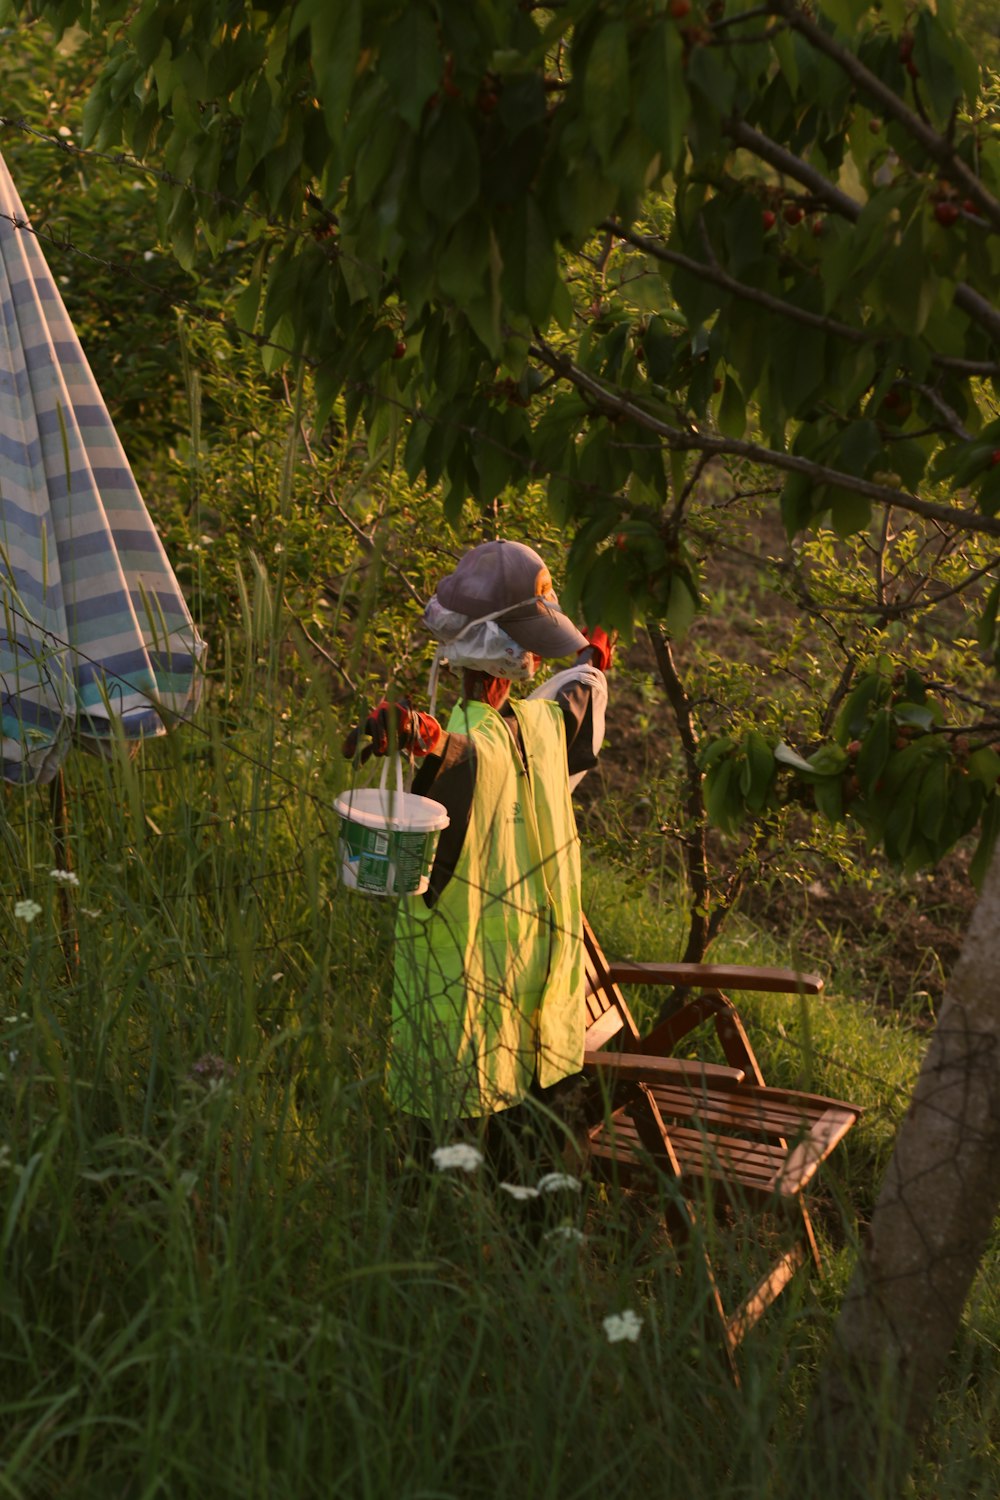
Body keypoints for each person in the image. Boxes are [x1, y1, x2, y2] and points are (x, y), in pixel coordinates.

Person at [344, 539, 614, 1126]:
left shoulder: (531, 726)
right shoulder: (517, 736)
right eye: (530, 649)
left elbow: (562, 699)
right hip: (508, 999)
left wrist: (592, 661)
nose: (537, 662)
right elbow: (463, 750)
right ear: (502, 651)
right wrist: (423, 734)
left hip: (494, 1003)